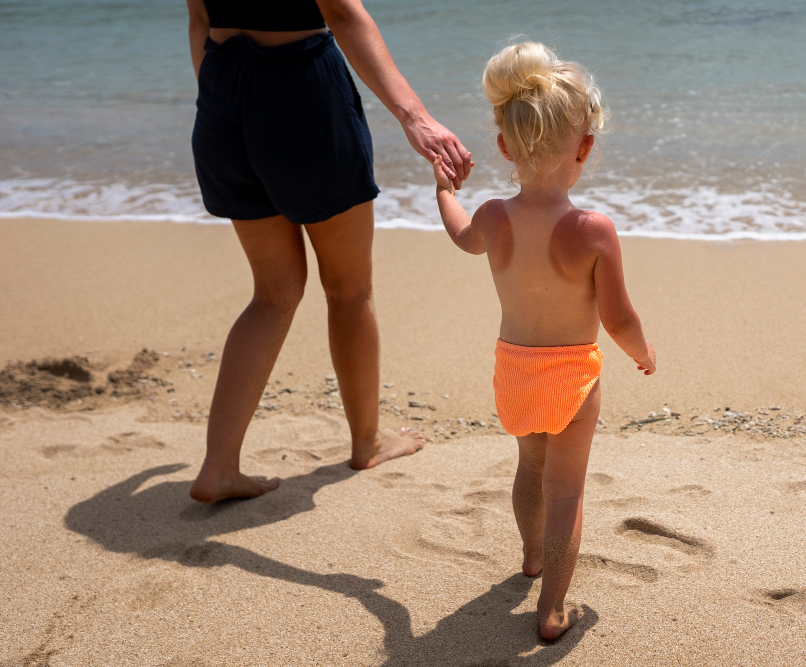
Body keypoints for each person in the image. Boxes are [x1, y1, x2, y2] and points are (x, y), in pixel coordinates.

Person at [184, 0, 473, 503]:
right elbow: (341, 13)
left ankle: (218, 466)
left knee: (272, 295)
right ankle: (367, 442)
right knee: (348, 288)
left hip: (221, 93)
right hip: (301, 94)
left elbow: (199, 18)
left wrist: (222, 101)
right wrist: (416, 117)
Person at [432, 42, 656, 640]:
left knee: (530, 466)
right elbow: (619, 317)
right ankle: (553, 608)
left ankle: (531, 559)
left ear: (504, 146)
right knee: (567, 488)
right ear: (585, 147)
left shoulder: (492, 217)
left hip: (514, 368)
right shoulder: (591, 230)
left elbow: (460, 236)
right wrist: (642, 353)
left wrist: (444, 192)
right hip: (571, 374)